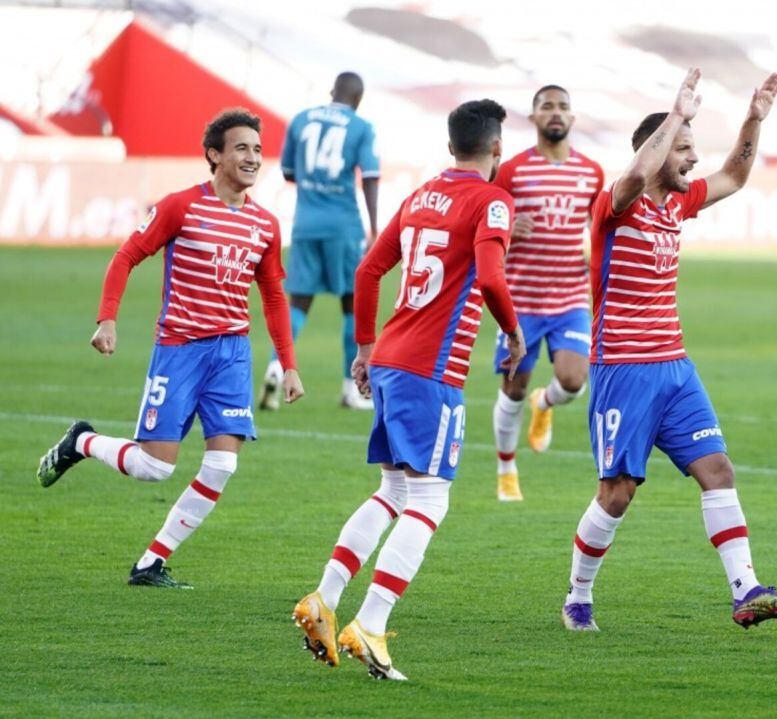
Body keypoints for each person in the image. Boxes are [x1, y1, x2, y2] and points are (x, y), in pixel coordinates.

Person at [560, 68, 777, 633]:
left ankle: (746, 592)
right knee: (617, 494)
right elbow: (635, 173)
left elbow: (736, 176)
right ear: (662, 149)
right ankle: (578, 596)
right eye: (685, 150)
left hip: (675, 368)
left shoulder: (679, 204)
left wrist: (753, 119)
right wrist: (678, 116)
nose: (694, 159)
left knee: (718, 470)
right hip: (623, 370)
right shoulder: (614, 206)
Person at [292, 99, 526, 681]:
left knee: (393, 490)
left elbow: (369, 270)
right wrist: (515, 334)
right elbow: (492, 277)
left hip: (394, 358)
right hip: (432, 370)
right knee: (430, 499)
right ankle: (369, 626)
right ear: (497, 148)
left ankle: (323, 601)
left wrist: (366, 348)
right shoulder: (493, 200)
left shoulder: (422, 195)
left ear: (451, 148)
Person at [36, 109, 304, 588]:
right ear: (214, 155)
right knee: (153, 467)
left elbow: (274, 296)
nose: (252, 158)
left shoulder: (265, 224)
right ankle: (82, 441)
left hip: (232, 353)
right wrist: (107, 319)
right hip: (180, 350)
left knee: (223, 464)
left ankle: (151, 562)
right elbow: (127, 256)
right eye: (241, 148)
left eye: (258, 150)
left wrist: (289, 365)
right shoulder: (181, 206)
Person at [490, 84, 604, 501]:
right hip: (519, 302)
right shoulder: (513, 171)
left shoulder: (591, 172)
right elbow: (486, 216)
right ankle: (506, 469)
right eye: (546, 106)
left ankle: (547, 403)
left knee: (574, 381)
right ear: (533, 117)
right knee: (512, 388)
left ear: (572, 118)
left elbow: (599, 226)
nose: (555, 112)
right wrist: (506, 225)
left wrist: (596, 255)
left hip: (570, 298)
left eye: (563, 106)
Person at [260, 71, 379, 411]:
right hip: (344, 226)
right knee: (352, 305)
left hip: (305, 224)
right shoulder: (360, 127)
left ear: (332, 92)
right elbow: (370, 176)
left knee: (297, 304)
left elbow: (288, 172)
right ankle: (350, 388)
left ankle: (274, 369)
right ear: (358, 99)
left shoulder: (300, 119)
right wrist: (373, 226)